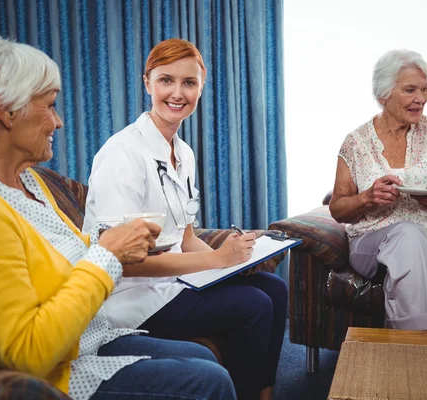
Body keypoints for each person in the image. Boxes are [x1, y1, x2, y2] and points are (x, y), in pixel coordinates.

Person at [0, 31, 237, 400]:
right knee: (210, 381)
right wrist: (108, 254)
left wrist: (115, 248)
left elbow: (69, 255)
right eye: (49, 105)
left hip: (87, 338)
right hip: (53, 373)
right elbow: (30, 352)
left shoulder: (27, 183)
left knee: (204, 357)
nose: (59, 122)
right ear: (6, 110)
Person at [83, 38, 287, 400]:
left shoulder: (184, 153)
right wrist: (214, 259)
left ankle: (262, 394)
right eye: (166, 80)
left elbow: (186, 235)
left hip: (173, 285)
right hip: (129, 300)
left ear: (201, 88)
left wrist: (235, 257)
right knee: (253, 306)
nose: (177, 93)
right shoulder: (121, 154)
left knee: (274, 288)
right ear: (148, 83)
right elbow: (121, 264)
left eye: (189, 83)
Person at [329, 50, 427, 331]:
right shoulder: (356, 143)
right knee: (408, 235)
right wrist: (367, 197)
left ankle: (402, 348)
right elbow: (337, 208)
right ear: (383, 95)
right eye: (410, 90)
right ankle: (425, 345)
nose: (420, 98)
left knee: (415, 244)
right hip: (371, 246)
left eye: (424, 89)